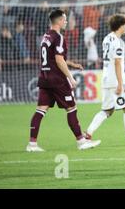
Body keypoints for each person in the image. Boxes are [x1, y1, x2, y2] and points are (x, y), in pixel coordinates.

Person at [26, 9, 101, 152]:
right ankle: (81, 141)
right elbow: (59, 60)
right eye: (65, 19)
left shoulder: (46, 36)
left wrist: (71, 64)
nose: (66, 21)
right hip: (57, 79)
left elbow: (52, 57)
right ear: (59, 21)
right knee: (71, 108)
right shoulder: (58, 37)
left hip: (44, 77)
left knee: (41, 110)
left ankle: (32, 144)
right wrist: (71, 77)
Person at [85, 14, 125, 146]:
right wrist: (120, 82)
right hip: (115, 81)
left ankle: (88, 134)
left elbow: (114, 61)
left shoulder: (107, 39)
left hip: (106, 78)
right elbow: (117, 62)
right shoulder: (118, 42)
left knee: (107, 110)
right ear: (120, 26)